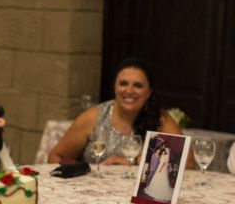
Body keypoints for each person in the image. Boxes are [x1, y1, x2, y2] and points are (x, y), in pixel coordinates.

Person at [48, 58, 191, 167]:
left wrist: (133, 162)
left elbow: (188, 163)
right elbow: (56, 156)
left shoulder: (160, 119)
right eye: (123, 83)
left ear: (149, 92)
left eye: (138, 85)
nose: (129, 91)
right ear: (115, 87)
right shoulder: (93, 117)